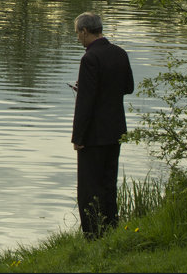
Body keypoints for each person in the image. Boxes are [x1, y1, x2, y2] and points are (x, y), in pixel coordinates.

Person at [70, 12, 135, 240]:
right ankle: (111, 229)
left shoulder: (89, 59)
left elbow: (85, 103)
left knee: (89, 188)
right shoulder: (120, 53)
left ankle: (92, 235)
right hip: (115, 130)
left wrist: (78, 137)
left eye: (78, 33)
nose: (78, 38)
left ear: (85, 31)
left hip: (93, 135)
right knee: (109, 183)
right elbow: (128, 87)